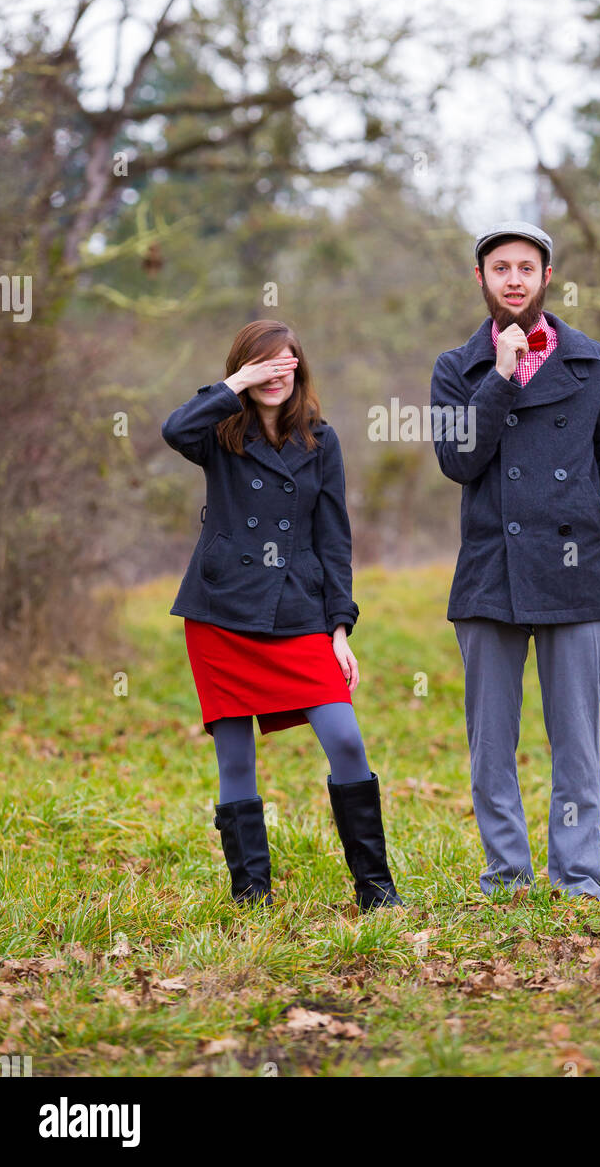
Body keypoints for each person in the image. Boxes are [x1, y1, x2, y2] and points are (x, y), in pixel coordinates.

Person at [430, 223, 600, 899]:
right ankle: (507, 877)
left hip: (574, 571)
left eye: (526, 267)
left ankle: (578, 879)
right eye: (499, 268)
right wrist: (500, 377)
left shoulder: (587, 360)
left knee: (576, 744)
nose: (513, 278)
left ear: (548, 278)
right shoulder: (455, 368)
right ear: (481, 279)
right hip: (490, 573)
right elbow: (457, 461)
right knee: (492, 745)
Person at [161, 319, 402, 912]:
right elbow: (173, 428)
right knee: (235, 754)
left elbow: (334, 540)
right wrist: (235, 382)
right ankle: (250, 894)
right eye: (263, 364)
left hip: (297, 610)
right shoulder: (217, 433)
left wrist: (339, 628)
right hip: (220, 613)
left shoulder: (322, 440)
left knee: (345, 739)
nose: (276, 374)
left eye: (285, 362)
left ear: (300, 368)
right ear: (246, 370)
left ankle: (375, 888)